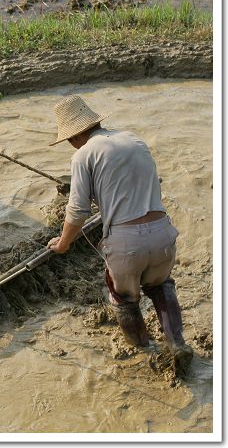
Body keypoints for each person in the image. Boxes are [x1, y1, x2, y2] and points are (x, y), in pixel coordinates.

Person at [45, 95, 191, 363]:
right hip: (163, 233)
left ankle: (143, 350)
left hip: (127, 243)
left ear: (73, 137)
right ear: (95, 122)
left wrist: (63, 244)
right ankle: (177, 343)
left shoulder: (82, 155)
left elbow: (78, 210)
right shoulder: (134, 140)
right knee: (161, 286)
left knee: (124, 299)